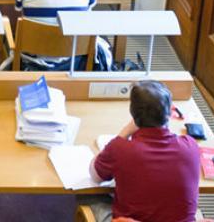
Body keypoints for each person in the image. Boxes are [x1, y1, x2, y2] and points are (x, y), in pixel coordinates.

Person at [81, 81, 202, 222]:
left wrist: (124, 133)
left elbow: (95, 176)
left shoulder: (120, 149)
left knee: (86, 193)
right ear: (169, 112)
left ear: (133, 113)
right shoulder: (190, 146)